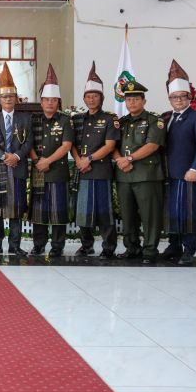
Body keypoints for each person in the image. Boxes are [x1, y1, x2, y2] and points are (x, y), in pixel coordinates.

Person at [160, 60, 196, 266]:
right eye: (174, 97)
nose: (178, 100)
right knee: (172, 211)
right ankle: (174, 246)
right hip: (168, 173)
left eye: (182, 96)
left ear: (189, 97)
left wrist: (195, 168)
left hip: (187, 172)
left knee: (188, 211)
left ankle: (189, 250)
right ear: (169, 98)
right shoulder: (166, 117)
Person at [112, 81, 166, 264]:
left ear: (144, 100)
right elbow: (113, 144)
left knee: (149, 215)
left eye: (136, 99)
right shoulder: (121, 122)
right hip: (124, 175)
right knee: (127, 215)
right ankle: (132, 247)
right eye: (128, 99)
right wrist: (120, 160)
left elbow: (152, 145)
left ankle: (150, 250)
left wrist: (129, 159)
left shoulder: (154, 121)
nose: (132, 103)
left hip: (147, 175)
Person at [70, 62, 119, 259]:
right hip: (82, 171)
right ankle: (86, 245)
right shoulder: (77, 119)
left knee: (103, 210)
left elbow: (110, 146)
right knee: (82, 211)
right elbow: (70, 143)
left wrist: (88, 159)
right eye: (88, 96)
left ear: (101, 98)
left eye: (95, 96)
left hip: (100, 171)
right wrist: (79, 160)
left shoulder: (109, 119)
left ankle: (108, 248)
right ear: (84, 98)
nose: (91, 99)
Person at [0, 62, 32, 257]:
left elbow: (29, 141)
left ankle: (15, 245)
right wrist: (4, 156)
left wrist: (17, 156)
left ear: (16, 98)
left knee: (16, 208)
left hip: (17, 167)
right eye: (4, 96)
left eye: (11, 96)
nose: (8, 99)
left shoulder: (25, 118)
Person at [28, 64, 74, 258]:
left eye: (53, 100)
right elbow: (27, 143)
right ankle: (38, 244)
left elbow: (66, 145)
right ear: (41, 102)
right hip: (38, 169)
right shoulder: (33, 120)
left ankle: (57, 245)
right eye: (46, 100)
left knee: (58, 210)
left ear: (58, 102)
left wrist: (48, 161)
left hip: (57, 171)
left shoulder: (65, 120)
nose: (49, 103)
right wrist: (38, 160)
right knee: (38, 210)